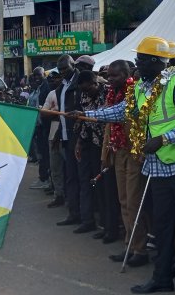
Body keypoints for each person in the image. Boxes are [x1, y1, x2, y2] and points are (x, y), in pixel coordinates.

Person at [74, 37, 175, 295]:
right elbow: (124, 112)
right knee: (162, 226)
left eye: (140, 59)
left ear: (155, 62)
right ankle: (162, 279)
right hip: (158, 168)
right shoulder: (141, 87)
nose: (136, 63)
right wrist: (86, 114)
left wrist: (163, 139)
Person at [101, 60, 149, 266]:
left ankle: (140, 249)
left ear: (127, 75)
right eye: (109, 76)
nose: (110, 79)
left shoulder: (135, 93)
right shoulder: (111, 94)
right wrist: (105, 155)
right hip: (118, 151)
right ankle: (130, 244)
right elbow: (109, 127)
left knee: (134, 201)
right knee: (123, 200)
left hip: (135, 152)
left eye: (115, 76)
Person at [72, 70, 106, 234]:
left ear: (96, 83)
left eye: (88, 89)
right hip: (88, 142)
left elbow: (104, 118)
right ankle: (88, 221)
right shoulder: (84, 95)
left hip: (105, 145)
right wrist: (79, 142)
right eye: (83, 90)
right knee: (86, 181)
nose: (85, 93)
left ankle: (107, 225)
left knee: (101, 184)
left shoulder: (108, 93)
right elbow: (84, 122)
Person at [53, 55, 83, 228]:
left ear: (73, 65)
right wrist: (58, 134)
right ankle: (74, 213)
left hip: (79, 138)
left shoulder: (80, 83)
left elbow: (81, 112)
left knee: (82, 179)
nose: (63, 72)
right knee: (70, 177)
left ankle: (86, 217)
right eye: (60, 69)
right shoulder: (62, 86)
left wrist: (79, 137)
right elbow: (63, 114)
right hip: (65, 137)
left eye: (65, 68)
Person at [41, 71, 65, 208]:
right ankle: (59, 194)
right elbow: (44, 112)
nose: (54, 82)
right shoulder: (52, 94)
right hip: (54, 128)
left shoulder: (72, 91)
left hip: (69, 130)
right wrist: (57, 113)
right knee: (55, 165)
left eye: (56, 79)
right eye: (51, 80)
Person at [27, 67, 52, 190]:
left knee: (44, 153)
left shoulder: (46, 88)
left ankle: (45, 179)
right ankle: (43, 177)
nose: (36, 78)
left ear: (44, 75)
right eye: (34, 76)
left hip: (44, 125)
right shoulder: (37, 88)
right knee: (41, 153)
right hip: (36, 125)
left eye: (39, 75)